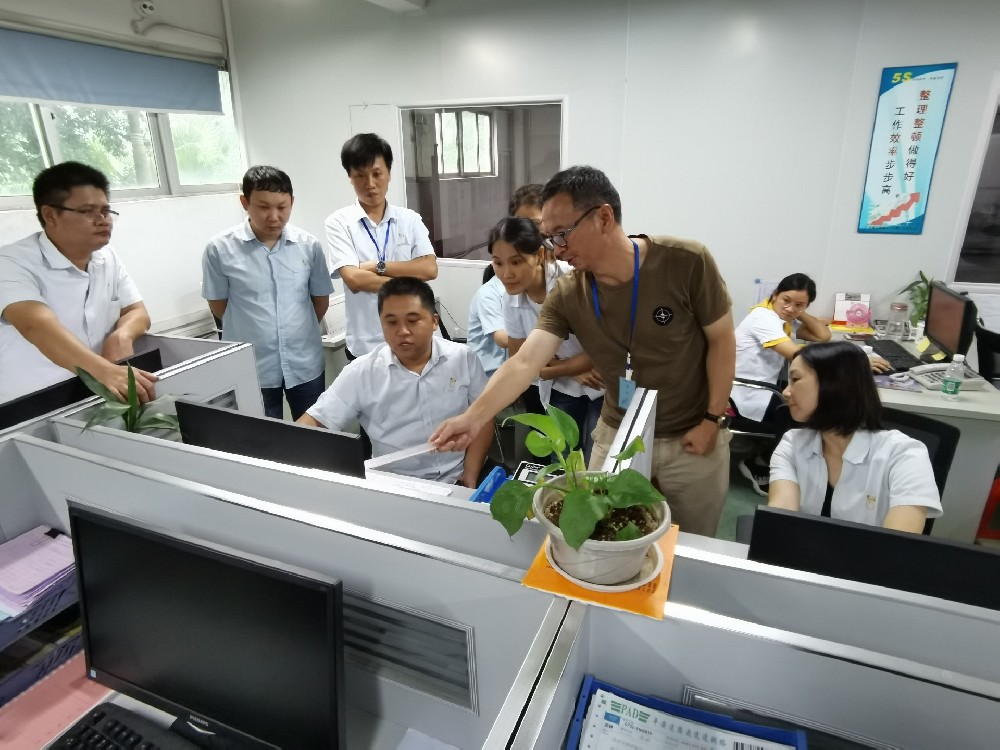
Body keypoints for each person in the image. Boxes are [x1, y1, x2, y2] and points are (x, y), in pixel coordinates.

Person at [432, 166, 736, 536]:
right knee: (603, 534)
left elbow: (722, 341)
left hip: (691, 435)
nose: (557, 249)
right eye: (550, 239)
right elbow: (525, 361)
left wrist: (711, 419)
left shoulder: (685, 261)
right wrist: (473, 418)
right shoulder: (569, 292)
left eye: (563, 234)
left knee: (692, 542)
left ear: (603, 218)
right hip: (617, 430)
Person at [299, 277, 491, 487]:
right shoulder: (362, 372)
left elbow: (484, 419)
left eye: (413, 320)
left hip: (457, 474)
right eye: (391, 322)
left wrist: (470, 475)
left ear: (434, 321)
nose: (402, 331)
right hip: (393, 484)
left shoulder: (463, 358)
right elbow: (313, 422)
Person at [0, 161, 156, 405]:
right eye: (88, 211)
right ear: (50, 215)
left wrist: (121, 336)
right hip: (34, 400)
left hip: (99, 390)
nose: (103, 220)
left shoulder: (107, 257)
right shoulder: (11, 261)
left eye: (105, 211)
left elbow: (137, 312)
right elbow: (35, 325)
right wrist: (103, 370)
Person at [202, 166, 333, 420]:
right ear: (245, 203)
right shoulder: (219, 249)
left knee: (315, 435)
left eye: (282, 207)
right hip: (252, 368)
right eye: (263, 207)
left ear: (292, 202)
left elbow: (320, 301)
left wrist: (297, 330)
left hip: (304, 363)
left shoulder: (309, 246)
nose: (274, 216)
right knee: (262, 438)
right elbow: (219, 306)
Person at [768, 341, 941, 533]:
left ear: (835, 384)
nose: (786, 392)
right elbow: (781, 520)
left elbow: (898, 543)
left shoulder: (904, 455)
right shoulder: (792, 443)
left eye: (796, 379)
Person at [489, 216, 604, 461]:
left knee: (597, 460)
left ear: (539, 255)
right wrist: (569, 369)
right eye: (498, 263)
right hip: (561, 388)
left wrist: (552, 367)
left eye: (516, 262)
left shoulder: (571, 281)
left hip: (602, 381)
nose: (506, 274)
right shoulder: (511, 298)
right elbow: (520, 360)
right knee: (561, 460)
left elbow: (604, 347)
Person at [325, 133, 438, 360]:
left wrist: (377, 266)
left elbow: (429, 269)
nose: (370, 184)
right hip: (366, 346)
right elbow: (354, 279)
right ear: (350, 177)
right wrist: (409, 284)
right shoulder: (339, 223)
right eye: (360, 176)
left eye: (377, 174)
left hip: (413, 340)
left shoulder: (409, 219)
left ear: (389, 173)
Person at [732, 273, 831, 495]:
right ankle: (761, 464)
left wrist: (798, 312)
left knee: (808, 400)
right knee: (805, 410)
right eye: (786, 300)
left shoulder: (783, 319)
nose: (790, 308)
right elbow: (796, 355)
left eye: (799, 305)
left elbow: (823, 336)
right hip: (746, 391)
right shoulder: (763, 318)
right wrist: (853, 360)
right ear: (775, 294)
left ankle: (764, 459)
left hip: (764, 386)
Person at [466, 265, 508, 378]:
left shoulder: (520, 292)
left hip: (508, 370)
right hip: (487, 374)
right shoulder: (487, 294)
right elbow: (503, 339)